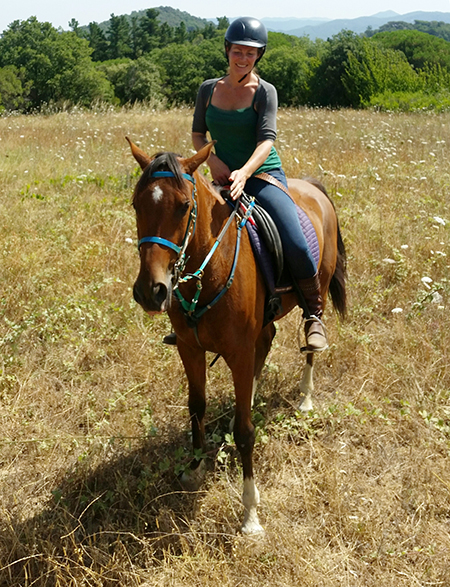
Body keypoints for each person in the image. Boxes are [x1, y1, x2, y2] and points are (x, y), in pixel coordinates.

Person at [167, 17, 327, 352]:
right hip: (222, 177)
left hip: (262, 176)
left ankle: (313, 315)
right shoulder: (208, 89)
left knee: (294, 239)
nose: (243, 58)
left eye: (250, 53)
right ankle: (185, 313)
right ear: (227, 50)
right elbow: (198, 134)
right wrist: (212, 160)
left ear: (259, 56)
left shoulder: (265, 92)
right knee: (187, 235)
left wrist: (244, 173)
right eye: (237, 51)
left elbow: (266, 140)